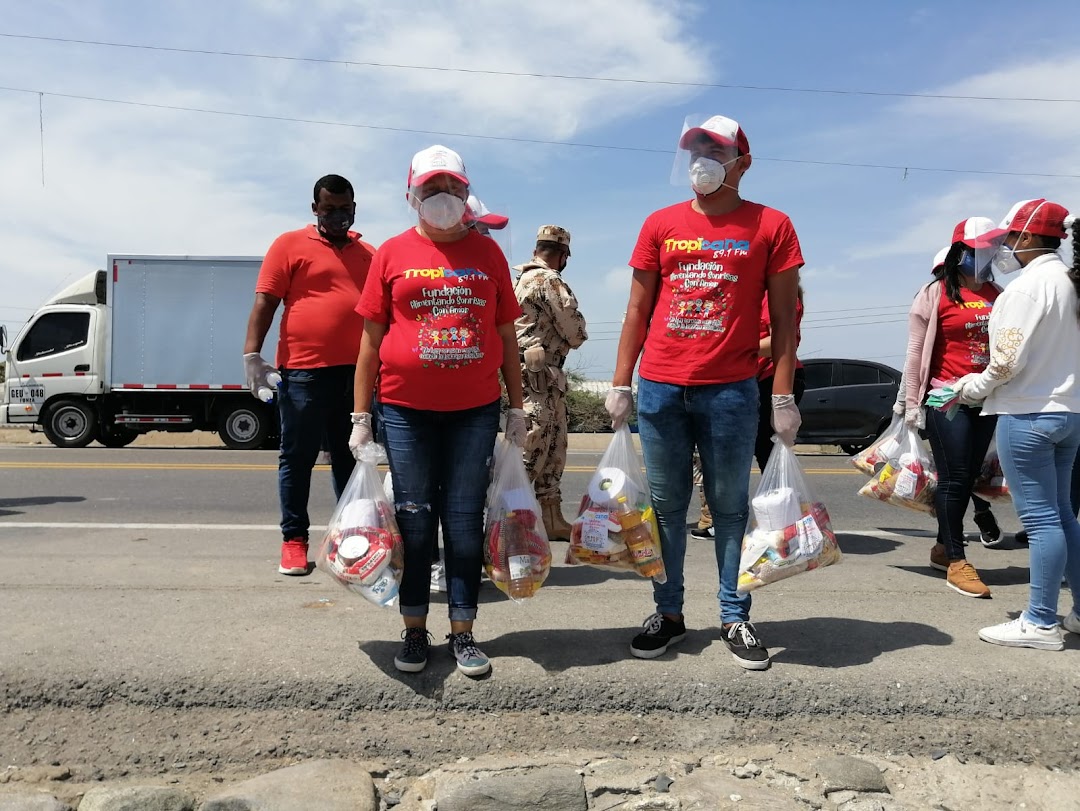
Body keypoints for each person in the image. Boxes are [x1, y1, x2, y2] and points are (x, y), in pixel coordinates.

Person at [606, 115, 803, 670]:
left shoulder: (772, 225)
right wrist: (623, 380)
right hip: (662, 387)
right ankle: (668, 614)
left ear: (743, 160)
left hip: (732, 391)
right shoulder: (660, 223)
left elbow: (785, 322)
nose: (702, 159)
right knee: (666, 509)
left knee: (730, 508)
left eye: (716, 150)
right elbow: (638, 309)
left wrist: (782, 396)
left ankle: (734, 615)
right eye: (695, 148)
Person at [350, 145, 526, 677]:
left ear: (466, 192)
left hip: (474, 409)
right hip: (405, 410)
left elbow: (506, 335)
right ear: (412, 195)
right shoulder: (391, 254)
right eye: (430, 188)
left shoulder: (488, 255)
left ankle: (465, 633)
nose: (441, 198)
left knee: (465, 522)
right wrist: (361, 416)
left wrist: (516, 406)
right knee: (416, 519)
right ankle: (413, 630)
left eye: (450, 187)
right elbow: (369, 341)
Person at [952, 200, 1080, 650]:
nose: (1004, 246)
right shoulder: (1071, 282)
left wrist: (967, 388)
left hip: (1027, 414)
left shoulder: (1026, 289)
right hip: (1069, 414)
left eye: (1008, 237)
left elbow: (1004, 364)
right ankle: (1078, 612)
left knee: (1042, 520)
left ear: (1026, 238)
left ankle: (1040, 621)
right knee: (1063, 515)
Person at [243, 174, 375, 576]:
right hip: (302, 372)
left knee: (349, 460)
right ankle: (294, 541)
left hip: (355, 375)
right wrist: (252, 354)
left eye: (345, 208)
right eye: (329, 208)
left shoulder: (369, 253)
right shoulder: (289, 245)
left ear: (355, 206)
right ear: (315, 208)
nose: (338, 215)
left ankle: (349, 540)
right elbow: (265, 302)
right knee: (297, 458)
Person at [901, 219, 1004, 598]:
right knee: (956, 477)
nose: (989, 255)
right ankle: (958, 560)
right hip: (948, 400)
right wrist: (912, 405)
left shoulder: (998, 293)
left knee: (971, 477)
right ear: (961, 252)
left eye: (993, 248)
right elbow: (915, 354)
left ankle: (944, 547)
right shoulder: (934, 294)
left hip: (987, 398)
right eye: (981, 249)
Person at [691, 286, 806, 539]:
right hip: (759, 378)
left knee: (766, 453)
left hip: (773, 379)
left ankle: (784, 523)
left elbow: (782, 341)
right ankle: (782, 521)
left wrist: (733, 345)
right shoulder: (760, 293)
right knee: (762, 452)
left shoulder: (775, 294)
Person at [514, 225, 589, 542]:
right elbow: (576, 333)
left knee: (553, 446)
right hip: (537, 377)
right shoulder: (549, 280)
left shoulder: (523, 278)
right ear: (563, 255)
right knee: (532, 449)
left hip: (541, 376)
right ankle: (507, 521)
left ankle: (551, 517)